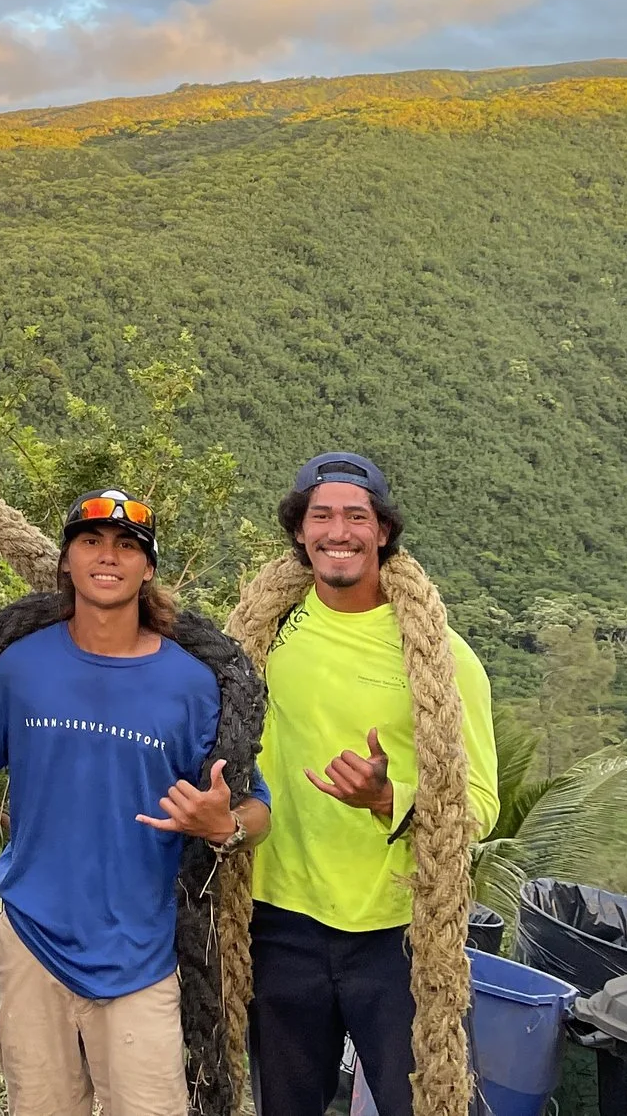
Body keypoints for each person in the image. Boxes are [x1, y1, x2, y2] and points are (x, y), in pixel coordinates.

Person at [0, 491, 270, 1116]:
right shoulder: (22, 665)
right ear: (66, 560)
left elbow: (256, 809)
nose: (107, 557)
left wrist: (224, 826)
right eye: (90, 542)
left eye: (126, 546)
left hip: (144, 954)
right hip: (34, 941)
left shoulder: (194, 684)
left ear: (149, 568)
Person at [224, 453, 498, 1116]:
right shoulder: (262, 638)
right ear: (299, 530)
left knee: (423, 1101)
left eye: (356, 516)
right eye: (321, 515)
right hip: (278, 921)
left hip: (396, 933)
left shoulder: (442, 657)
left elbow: (481, 805)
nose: (337, 531)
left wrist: (388, 798)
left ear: (382, 531)